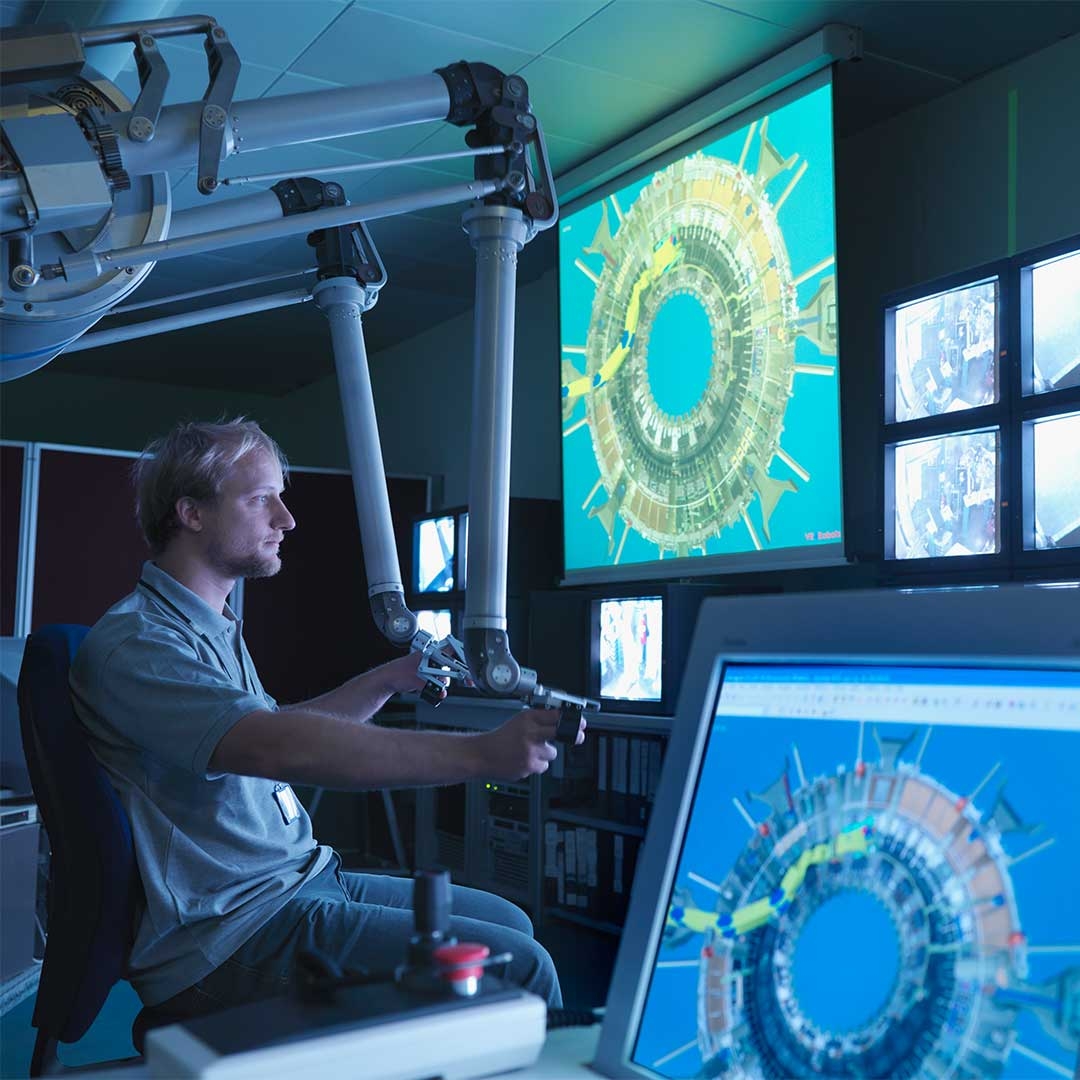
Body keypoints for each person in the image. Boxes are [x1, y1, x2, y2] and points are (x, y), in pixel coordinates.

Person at [70, 417, 583, 1022]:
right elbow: (270, 747)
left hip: (294, 879)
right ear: (192, 513)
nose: (286, 520)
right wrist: (482, 754)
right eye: (262, 499)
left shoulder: (208, 623)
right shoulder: (142, 642)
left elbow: (263, 730)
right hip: (234, 934)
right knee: (520, 969)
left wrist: (391, 679)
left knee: (507, 923)